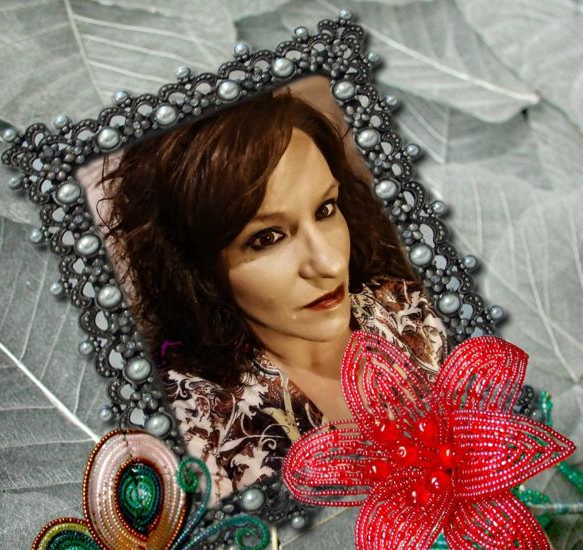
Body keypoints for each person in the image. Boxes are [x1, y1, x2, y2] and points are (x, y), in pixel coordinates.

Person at [99, 88, 448, 507]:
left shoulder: (414, 312)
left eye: (325, 209)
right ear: (197, 269)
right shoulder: (191, 431)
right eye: (267, 238)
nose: (329, 263)